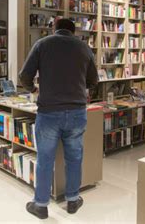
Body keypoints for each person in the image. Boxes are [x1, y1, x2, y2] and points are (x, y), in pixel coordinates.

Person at [19, 18, 98, 219]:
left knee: (45, 159)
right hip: (77, 112)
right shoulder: (84, 48)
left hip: (49, 112)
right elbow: (93, 81)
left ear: (54, 29)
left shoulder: (42, 44)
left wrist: (34, 89)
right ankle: (72, 200)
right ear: (73, 31)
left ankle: (41, 205)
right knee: (74, 158)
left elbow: (24, 76)